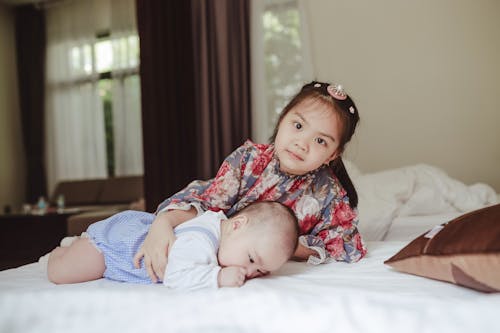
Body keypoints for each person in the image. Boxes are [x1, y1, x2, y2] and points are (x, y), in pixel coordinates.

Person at [136, 80, 368, 283]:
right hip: (213, 238)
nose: (302, 143)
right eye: (297, 126)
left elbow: (347, 244)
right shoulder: (249, 160)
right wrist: (163, 223)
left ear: (332, 155)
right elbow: (208, 205)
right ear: (282, 118)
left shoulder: (328, 193)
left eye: (320, 140)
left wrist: (287, 248)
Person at [47, 201, 299, 290]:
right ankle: (59, 252)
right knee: (61, 273)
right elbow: (176, 276)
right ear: (237, 225)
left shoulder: (219, 223)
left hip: (135, 229)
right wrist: (218, 277)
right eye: (252, 259)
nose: (250, 272)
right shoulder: (199, 242)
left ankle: (75, 243)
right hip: (116, 247)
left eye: (261, 271)